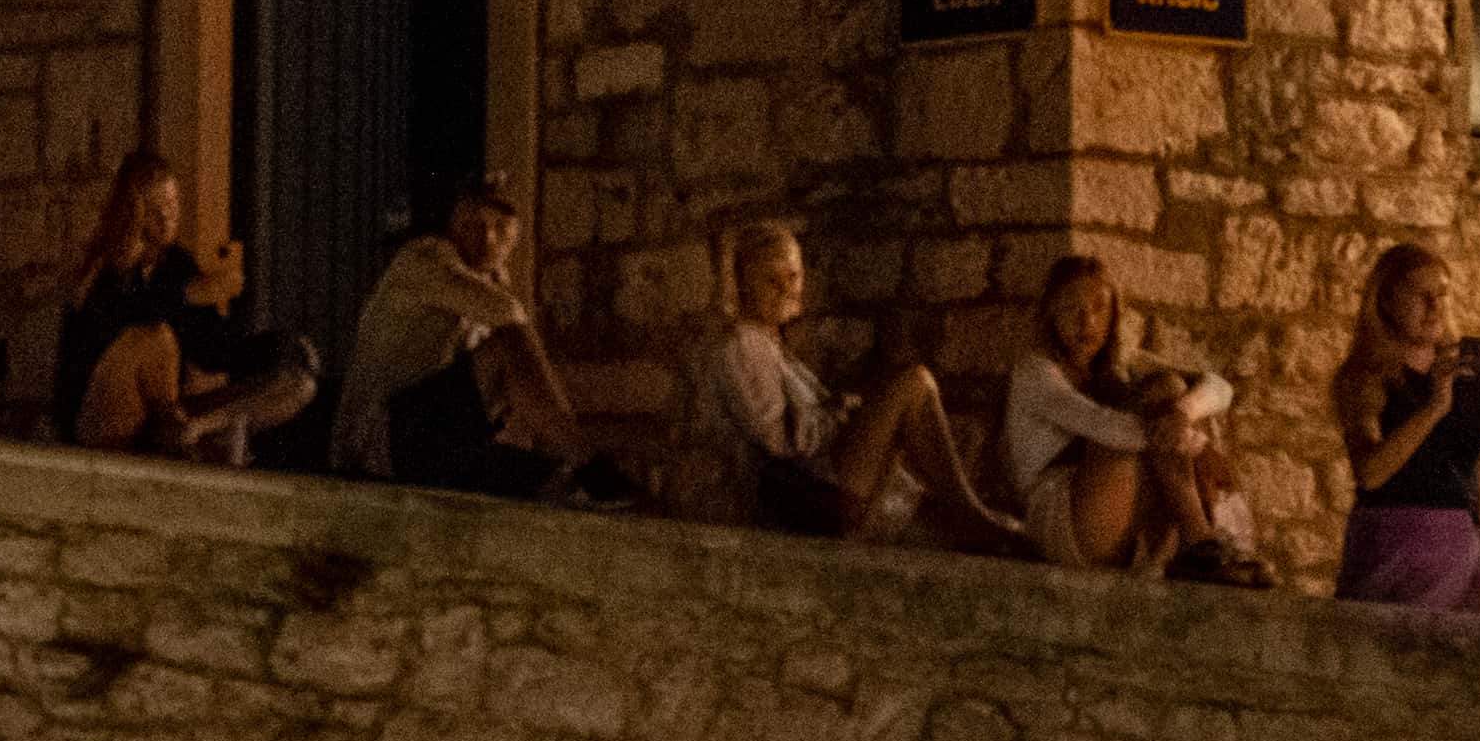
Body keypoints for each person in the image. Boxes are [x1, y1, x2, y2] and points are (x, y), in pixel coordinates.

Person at [671, 220, 1022, 550]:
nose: (786, 289)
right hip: (812, 495)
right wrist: (839, 415)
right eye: (771, 281)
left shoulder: (770, 344)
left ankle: (968, 515)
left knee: (943, 521)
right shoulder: (743, 346)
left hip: (825, 483)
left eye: (793, 276)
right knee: (914, 384)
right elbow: (780, 440)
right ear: (745, 284)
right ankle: (971, 512)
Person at [332, 173, 615, 502]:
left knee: (555, 484)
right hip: (381, 442)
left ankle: (585, 472)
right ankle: (586, 459)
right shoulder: (423, 259)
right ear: (453, 225)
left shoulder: (485, 284)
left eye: (500, 227)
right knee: (509, 344)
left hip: (441, 440)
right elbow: (508, 315)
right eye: (472, 225)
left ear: (517, 235)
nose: (487, 238)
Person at [998, 256, 1261, 583]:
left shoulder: (1125, 364)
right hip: (1067, 522)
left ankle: (1202, 545)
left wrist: (1182, 414)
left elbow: (1220, 388)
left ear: (1113, 316)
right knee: (1164, 392)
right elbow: (1107, 429)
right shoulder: (1035, 373)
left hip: (1125, 522)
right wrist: (1195, 443)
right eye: (1072, 308)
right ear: (1052, 312)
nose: (1087, 321)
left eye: (1099, 309)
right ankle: (1202, 540)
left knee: (1176, 394)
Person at [51, 152, 319, 459]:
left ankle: (199, 431)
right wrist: (186, 295)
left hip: (164, 415)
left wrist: (275, 347)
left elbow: (213, 351)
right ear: (135, 212)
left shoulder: (177, 264)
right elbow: (112, 322)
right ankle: (191, 436)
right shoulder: (106, 264)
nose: (168, 216)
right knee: (157, 339)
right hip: (103, 414)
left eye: (173, 204)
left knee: (297, 385)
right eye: (156, 208)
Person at [1322, 245, 1480, 618]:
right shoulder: (1365, 378)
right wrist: (1434, 408)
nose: (1434, 307)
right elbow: (1370, 472)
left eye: (1442, 295)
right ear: (1386, 302)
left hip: (1462, 542)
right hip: (1397, 542)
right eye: (1420, 295)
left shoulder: (1465, 374)